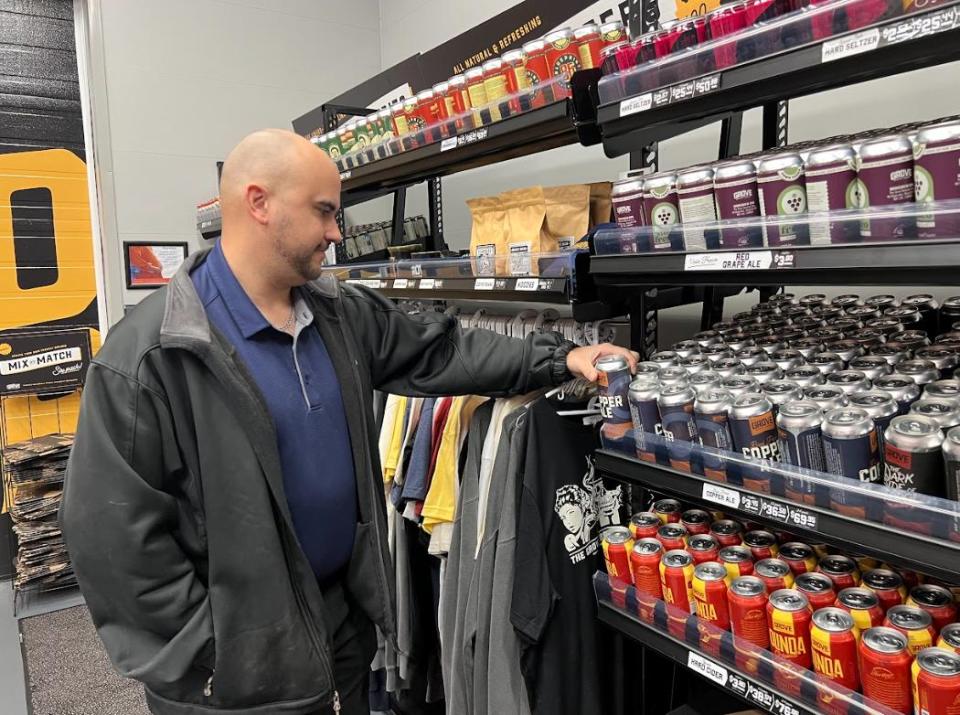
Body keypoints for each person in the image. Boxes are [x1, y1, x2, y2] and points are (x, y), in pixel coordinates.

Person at [60, 129, 637, 715]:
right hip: (237, 669)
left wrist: (559, 356)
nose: (337, 232)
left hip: (341, 628)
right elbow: (113, 541)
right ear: (259, 204)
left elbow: (440, 352)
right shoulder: (151, 357)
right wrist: (207, 657)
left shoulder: (336, 311)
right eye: (324, 212)